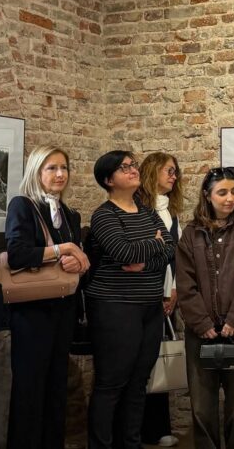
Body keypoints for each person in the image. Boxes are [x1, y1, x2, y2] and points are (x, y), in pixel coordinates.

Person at [85, 151, 174, 449]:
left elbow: (169, 250)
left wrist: (146, 258)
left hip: (150, 307)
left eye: (133, 165)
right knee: (111, 384)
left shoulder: (146, 211)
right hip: (114, 307)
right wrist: (154, 243)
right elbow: (124, 253)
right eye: (124, 168)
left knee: (138, 383)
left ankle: (131, 444)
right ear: (108, 180)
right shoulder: (104, 215)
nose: (133, 170)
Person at [5, 145, 90, 449]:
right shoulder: (22, 205)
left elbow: (75, 262)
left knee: (57, 389)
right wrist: (62, 250)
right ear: (37, 171)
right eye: (51, 168)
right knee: (29, 391)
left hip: (63, 310)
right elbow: (17, 254)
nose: (60, 174)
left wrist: (78, 263)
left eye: (64, 168)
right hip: (32, 312)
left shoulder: (69, 213)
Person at [176, 166, 234, 449]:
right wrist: (201, 323)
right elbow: (185, 283)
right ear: (207, 195)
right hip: (200, 333)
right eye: (222, 192)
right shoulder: (191, 234)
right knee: (202, 409)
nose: (230, 198)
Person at [137, 152, 184, 448]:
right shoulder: (138, 208)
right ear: (153, 172)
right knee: (140, 364)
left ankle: (157, 428)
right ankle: (135, 430)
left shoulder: (172, 213)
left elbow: (177, 256)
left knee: (160, 360)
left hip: (168, 296)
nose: (174, 176)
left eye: (175, 171)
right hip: (144, 294)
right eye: (169, 170)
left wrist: (174, 291)